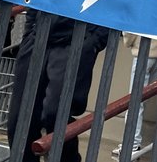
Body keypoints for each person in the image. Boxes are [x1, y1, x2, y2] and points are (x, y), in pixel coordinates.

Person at [7, 11, 111, 162]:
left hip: (75, 39)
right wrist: (29, 32)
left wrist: (94, 41)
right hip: (38, 37)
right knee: (18, 119)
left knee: (55, 114)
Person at [113, 33, 157, 159]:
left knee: (134, 102)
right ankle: (132, 142)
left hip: (144, 50)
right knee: (142, 100)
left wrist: (128, 42)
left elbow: (130, 28)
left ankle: (132, 144)